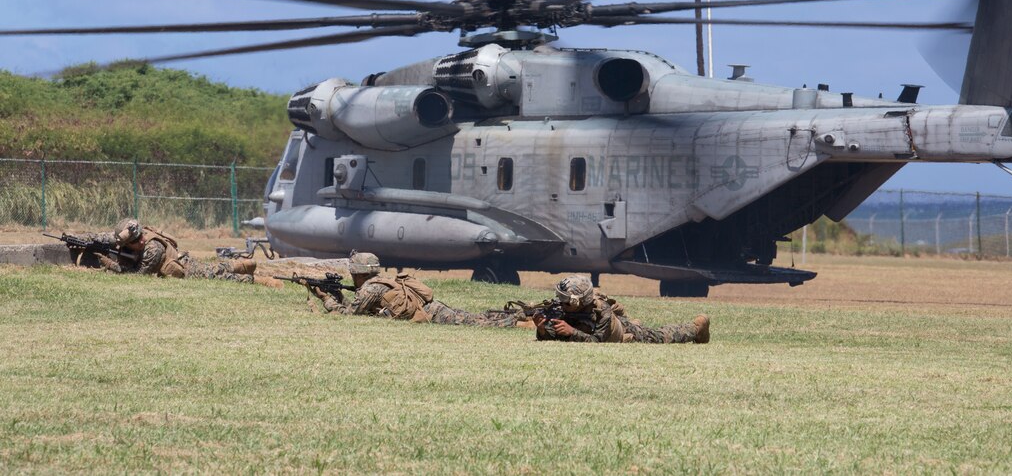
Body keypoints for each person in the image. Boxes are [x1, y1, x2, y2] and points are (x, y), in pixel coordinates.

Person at [309, 252, 528, 328]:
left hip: (431, 314)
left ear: (358, 273)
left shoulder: (369, 289)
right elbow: (359, 308)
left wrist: (325, 298)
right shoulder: (379, 282)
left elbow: (348, 314)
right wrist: (338, 295)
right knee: (474, 317)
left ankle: (518, 321)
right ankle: (515, 315)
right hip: (432, 307)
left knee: (477, 322)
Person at [533, 275, 710, 344]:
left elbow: (597, 342)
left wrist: (572, 331)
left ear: (580, 301)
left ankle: (696, 328)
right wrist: (542, 330)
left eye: (566, 302)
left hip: (621, 332)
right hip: (613, 327)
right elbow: (556, 336)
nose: (561, 305)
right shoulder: (567, 310)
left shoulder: (602, 311)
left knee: (660, 336)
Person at [97, 218, 261, 283]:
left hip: (184, 269)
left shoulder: (152, 248)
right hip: (183, 261)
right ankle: (242, 265)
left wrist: (114, 266)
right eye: (136, 240)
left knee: (219, 277)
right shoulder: (134, 236)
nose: (142, 240)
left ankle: (256, 280)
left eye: (140, 237)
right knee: (214, 269)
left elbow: (139, 276)